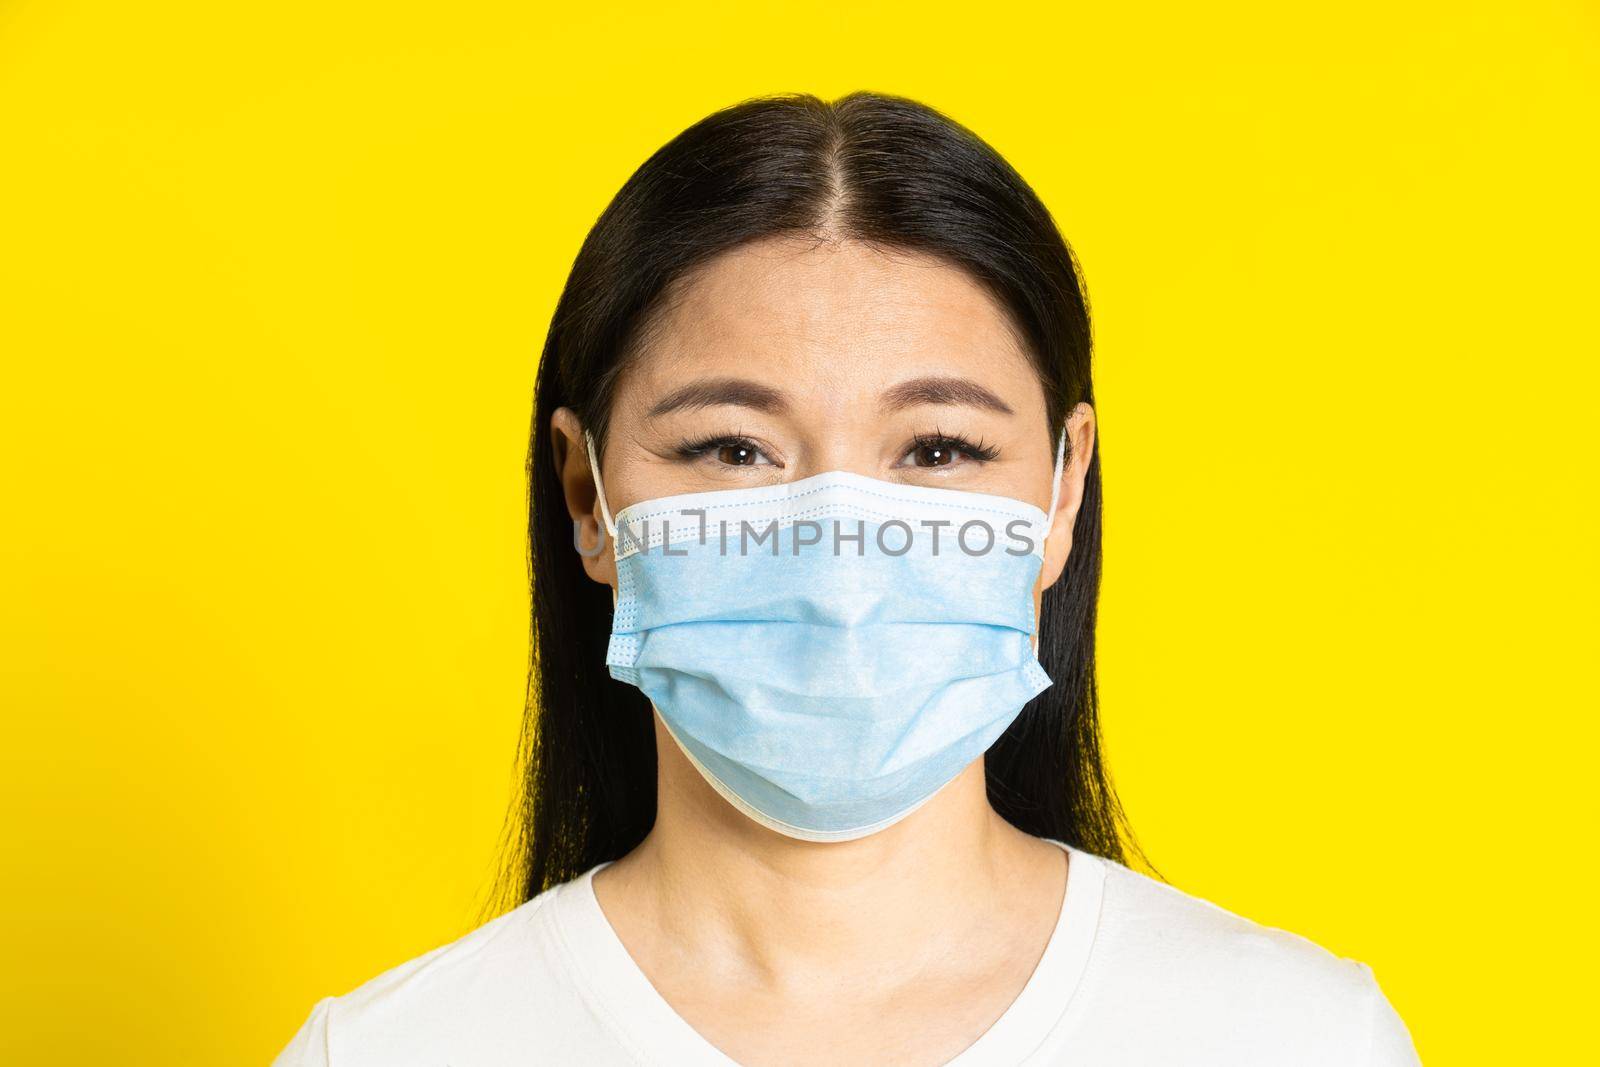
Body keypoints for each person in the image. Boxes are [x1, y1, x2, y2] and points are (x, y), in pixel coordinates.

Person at [274, 91, 1420, 1066]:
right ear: (589, 496)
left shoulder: (1292, 1037)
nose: (838, 559)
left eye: (937, 450)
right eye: (733, 448)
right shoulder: (389, 1051)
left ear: (1061, 493)